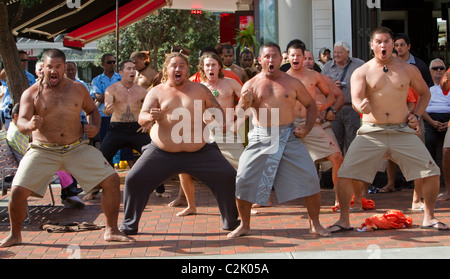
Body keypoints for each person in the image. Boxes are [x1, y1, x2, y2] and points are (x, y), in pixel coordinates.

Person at [0, 49, 133, 247]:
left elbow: (93, 112)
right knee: (17, 190)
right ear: (42, 68)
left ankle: (111, 230)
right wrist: (30, 126)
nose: (53, 70)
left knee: (112, 180)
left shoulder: (78, 89)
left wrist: (94, 127)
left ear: (64, 68)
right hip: (42, 149)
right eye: (49, 66)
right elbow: (22, 122)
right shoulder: (31, 93)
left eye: (58, 67)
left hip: (76, 147)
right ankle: (15, 234)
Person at [328, 27, 448, 233]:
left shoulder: (408, 69)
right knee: (346, 173)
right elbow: (356, 97)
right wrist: (360, 106)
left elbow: (425, 94)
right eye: (379, 42)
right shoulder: (362, 70)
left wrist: (416, 115)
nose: (383, 45)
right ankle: (344, 220)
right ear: (372, 45)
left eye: (387, 41)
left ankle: (429, 217)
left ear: (393, 44)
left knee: (431, 172)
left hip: (402, 130)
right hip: (371, 132)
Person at [119, 52, 240, 235]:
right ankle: (129, 225)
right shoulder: (157, 91)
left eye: (181, 66)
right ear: (167, 69)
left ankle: (231, 221)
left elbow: (217, 110)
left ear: (187, 69)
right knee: (133, 179)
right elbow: (142, 118)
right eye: (174, 65)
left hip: (199, 151)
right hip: (162, 152)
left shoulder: (201, 89)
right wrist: (151, 116)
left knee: (228, 176)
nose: (178, 69)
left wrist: (217, 119)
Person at [228, 42, 330, 239]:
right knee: (243, 180)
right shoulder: (251, 84)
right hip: (260, 135)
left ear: (280, 59)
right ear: (260, 60)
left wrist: (307, 127)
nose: (271, 60)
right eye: (267, 56)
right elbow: (239, 113)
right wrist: (244, 103)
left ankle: (315, 223)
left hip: (289, 135)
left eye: (274, 56)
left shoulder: (292, 83)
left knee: (310, 178)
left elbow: (310, 105)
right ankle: (245, 225)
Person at [174, 52, 244, 217]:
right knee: (183, 168)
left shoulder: (230, 83)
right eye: (207, 65)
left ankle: (243, 205)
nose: (210, 68)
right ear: (202, 68)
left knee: (244, 167)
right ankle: (191, 205)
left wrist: (237, 122)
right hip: (202, 132)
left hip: (226, 131)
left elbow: (248, 102)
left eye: (213, 64)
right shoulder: (194, 86)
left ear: (219, 66)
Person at [286, 42, 344, 206]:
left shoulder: (314, 76)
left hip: (310, 123)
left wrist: (324, 106)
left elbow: (331, 96)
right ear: (288, 57)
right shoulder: (283, 77)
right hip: (288, 124)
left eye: (299, 55)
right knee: (267, 157)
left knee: (337, 157)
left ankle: (339, 199)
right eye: (292, 55)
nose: (296, 58)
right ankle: (264, 199)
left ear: (304, 57)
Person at [99, 60, 151, 166]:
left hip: (136, 129)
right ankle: (100, 182)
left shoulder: (142, 91)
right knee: (101, 160)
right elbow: (106, 110)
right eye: (129, 68)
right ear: (121, 73)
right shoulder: (111, 89)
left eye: (134, 68)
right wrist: (107, 110)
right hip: (117, 129)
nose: (132, 71)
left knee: (154, 156)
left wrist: (149, 122)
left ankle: (157, 183)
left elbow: (151, 108)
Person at [322, 41, 365, 154]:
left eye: (339, 52)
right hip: (334, 109)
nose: (336, 55)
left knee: (353, 141)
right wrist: (331, 87)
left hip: (352, 109)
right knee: (335, 142)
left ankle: (351, 169)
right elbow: (321, 87)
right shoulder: (327, 67)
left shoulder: (359, 64)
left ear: (348, 52)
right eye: (335, 52)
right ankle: (338, 170)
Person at [0, 50, 36, 130]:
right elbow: (2, 77)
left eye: (26, 60)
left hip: (25, 112)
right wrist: (11, 64)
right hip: (10, 114)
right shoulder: (9, 74)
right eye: (22, 60)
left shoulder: (31, 77)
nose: (24, 62)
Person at [422, 59, 450, 160]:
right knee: (429, 139)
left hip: (448, 118)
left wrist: (448, 123)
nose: (438, 70)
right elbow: (421, 108)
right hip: (430, 118)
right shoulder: (425, 87)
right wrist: (432, 122)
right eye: (435, 68)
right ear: (430, 71)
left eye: (441, 68)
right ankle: (432, 168)